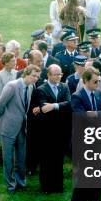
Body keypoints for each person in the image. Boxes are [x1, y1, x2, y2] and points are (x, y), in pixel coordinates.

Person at [68, 67, 101, 201]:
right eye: (94, 81)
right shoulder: (77, 96)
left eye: (98, 81)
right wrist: (95, 116)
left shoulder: (98, 94)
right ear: (85, 81)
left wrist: (97, 114)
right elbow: (80, 116)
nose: (97, 84)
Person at [0, 65, 40, 194]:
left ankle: (21, 181)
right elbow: (0, 105)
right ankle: (10, 184)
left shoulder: (32, 87)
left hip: (22, 127)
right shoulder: (12, 86)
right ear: (26, 73)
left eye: (37, 76)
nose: (36, 79)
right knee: (8, 158)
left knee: (21, 157)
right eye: (33, 76)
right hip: (8, 127)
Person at [31, 64, 71, 193]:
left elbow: (70, 103)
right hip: (47, 130)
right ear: (48, 75)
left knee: (59, 159)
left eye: (60, 74)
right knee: (47, 159)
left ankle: (58, 186)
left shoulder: (64, 87)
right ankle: (46, 186)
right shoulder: (41, 89)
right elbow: (43, 108)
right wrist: (59, 107)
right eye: (56, 74)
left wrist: (54, 106)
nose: (59, 77)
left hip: (61, 129)